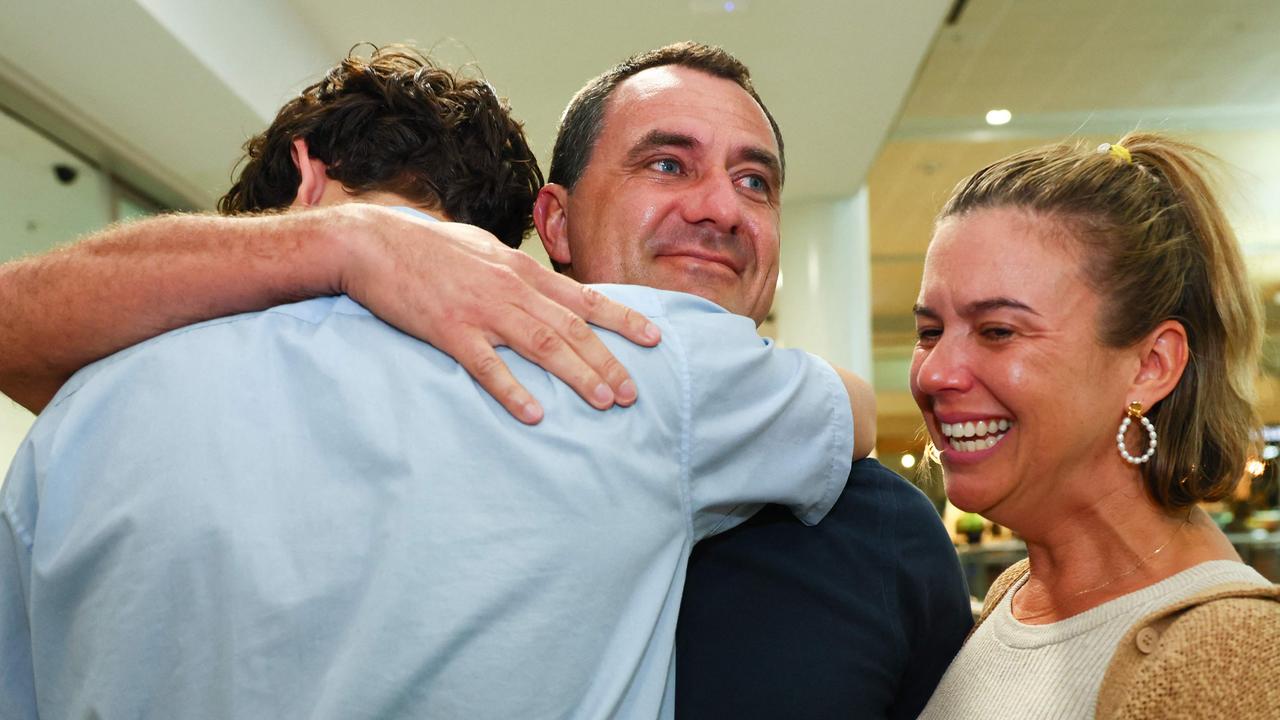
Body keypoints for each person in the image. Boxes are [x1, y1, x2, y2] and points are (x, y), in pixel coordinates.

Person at [0, 43, 971, 718]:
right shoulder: (644, 367)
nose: (717, 208)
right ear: (529, 234)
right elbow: (856, 403)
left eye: (755, 181)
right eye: (665, 163)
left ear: (303, 176)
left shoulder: (84, 412)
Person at [911, 133, 1280, 719]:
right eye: (930, 332)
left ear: (1150, 366)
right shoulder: (1017, 594)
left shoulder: (1234, 657)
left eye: (998, 331)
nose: (934, 373)